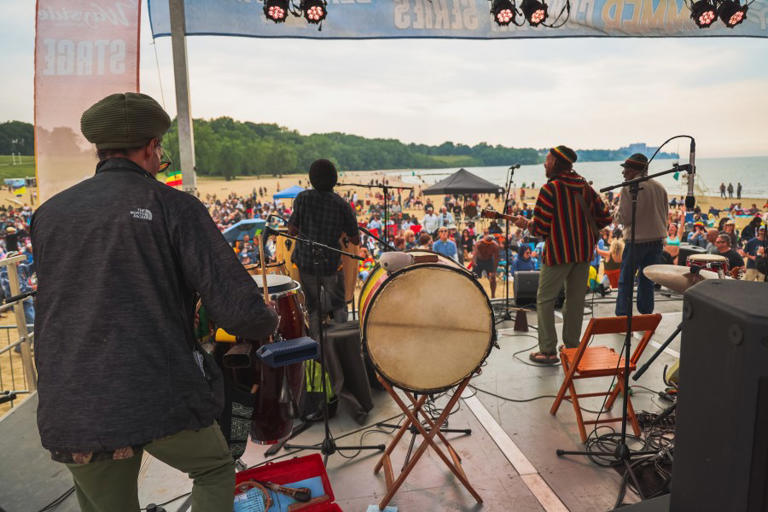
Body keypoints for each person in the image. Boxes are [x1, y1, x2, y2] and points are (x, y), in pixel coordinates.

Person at [31, 93, 279, 512]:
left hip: (72, 400)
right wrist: (267, 320)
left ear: (99, 149)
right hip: (154, 388)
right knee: (215, 469)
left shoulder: (49, 213)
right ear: (151, 147)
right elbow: (239, 311)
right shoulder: (172, 206)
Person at [514, 145, 611, 365]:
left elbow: (539, 228)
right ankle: (572, 348)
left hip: (559, 253)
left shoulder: (551, 189)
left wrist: (527, 224)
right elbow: (605, 217)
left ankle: (548, 350)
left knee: (545, 300)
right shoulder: (584, 185)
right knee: (575, 301)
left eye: (547, 160)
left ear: (557, 163)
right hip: (584, 253)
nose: (544, 164)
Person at [288, 159, 360, 330]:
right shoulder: (341, 204)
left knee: (312, 308)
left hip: (306, 262)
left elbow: (292, 230)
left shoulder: (302, 198)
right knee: (338, 306)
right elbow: (355, 240)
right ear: (334, 179)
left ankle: (317, 348)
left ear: (312, 178)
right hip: (331, 265)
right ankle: (341, 344)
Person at [614, 153, 668, 317]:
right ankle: (646, 314)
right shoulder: (660, 187)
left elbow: (624, 217)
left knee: (626, 281)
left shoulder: (629, 187)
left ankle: (623, 316)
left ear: (632, 170)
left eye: (626, 169)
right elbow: (665, 214)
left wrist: (615, 213)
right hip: (657, 240)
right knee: (647, 280)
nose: (623, 173)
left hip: (636, 241)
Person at [472, 230, 500, 298]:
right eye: (486, 243)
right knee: (473, 278)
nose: (487, 245)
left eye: (489, 244)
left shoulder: (495, 245)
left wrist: (494, 271)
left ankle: (493, 295)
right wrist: (474, 263)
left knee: (492, 279)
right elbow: (474, 254)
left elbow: (496, 259)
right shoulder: (479, 243)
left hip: (489, 261)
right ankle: (473, 294)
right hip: (479, 261)